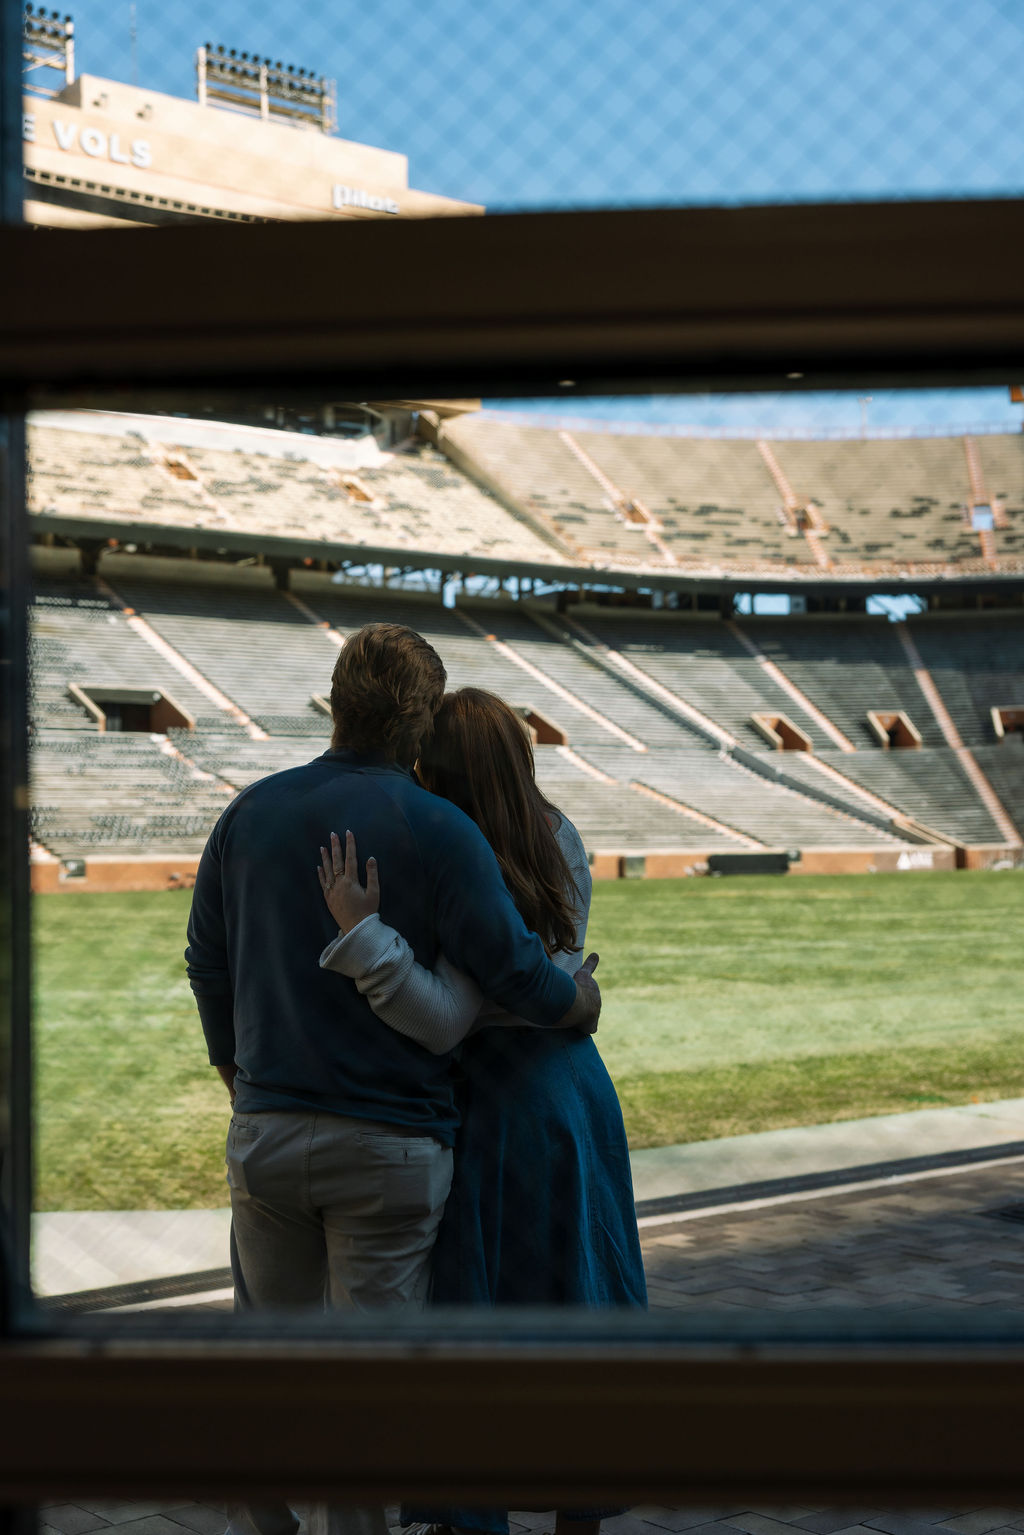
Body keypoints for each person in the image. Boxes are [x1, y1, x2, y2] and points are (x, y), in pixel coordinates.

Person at [185, 630, 602, 1535]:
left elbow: (205, 964)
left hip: (264, 1127)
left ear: (334, 702)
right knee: (364, 1383)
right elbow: (516, 976)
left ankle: (261, 1519)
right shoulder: (441, 825)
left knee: (270, 1356)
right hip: (389, 1142)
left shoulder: (247, 812)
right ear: (418, 719)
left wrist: (234, 1074)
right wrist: (583, 999)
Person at [317, 687, 647, 1535]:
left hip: (483, 1091)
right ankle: (582, 1506)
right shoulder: (559, 834)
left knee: (471, 1306)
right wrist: (571, 996)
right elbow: (554, 978)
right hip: (570, 1084)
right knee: (579, 1288)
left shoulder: (435, 848)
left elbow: (458, 1003)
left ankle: (469, 1509)